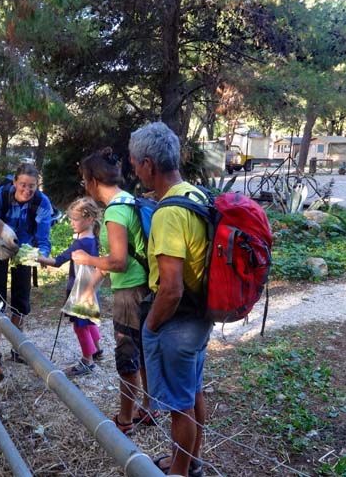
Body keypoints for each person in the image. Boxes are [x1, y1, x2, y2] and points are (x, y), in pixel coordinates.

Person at [129, 122, 212, 477]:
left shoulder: (168, 213)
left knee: (179, 405)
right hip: (202, 313)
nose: (134, 169)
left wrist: (151, 323)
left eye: (134, 163)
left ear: (149, 164)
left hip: (178, 320)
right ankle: (189, 460)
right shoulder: (196, 195)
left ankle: (178, 472)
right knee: (192, 394)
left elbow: (171, 287)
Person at [71, 148, 156, 436]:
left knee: (128, 355)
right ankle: (150, 407)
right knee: (143, 351)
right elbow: (121, 256)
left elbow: (118, 261)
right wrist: (90, 286)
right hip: (142, 288)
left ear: (93, 180)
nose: (85, 185)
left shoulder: (116, 212)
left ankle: (125, 419)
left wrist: (87, 260)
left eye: (85, 179)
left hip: (129, 294)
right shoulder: (128, 201)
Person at [0, 162, 53, 364]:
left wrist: (43, 256)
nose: (27, 190)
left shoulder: (42, 203)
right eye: (23, 184)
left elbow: (43, 237)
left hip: (25, 251)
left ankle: (16, 347)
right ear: (14, 182)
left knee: (21, 301)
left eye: (32, 186)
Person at [37, 197, 103, 376]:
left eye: (75, 219)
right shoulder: (91, 238)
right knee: (88, 320)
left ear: (89, 220)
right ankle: (97, 349)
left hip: (80, 290)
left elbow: (59, 261)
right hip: (91, 288)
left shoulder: (81, 243)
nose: (71, 223)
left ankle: (87, 361)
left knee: (80, 326)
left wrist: (40, 258)